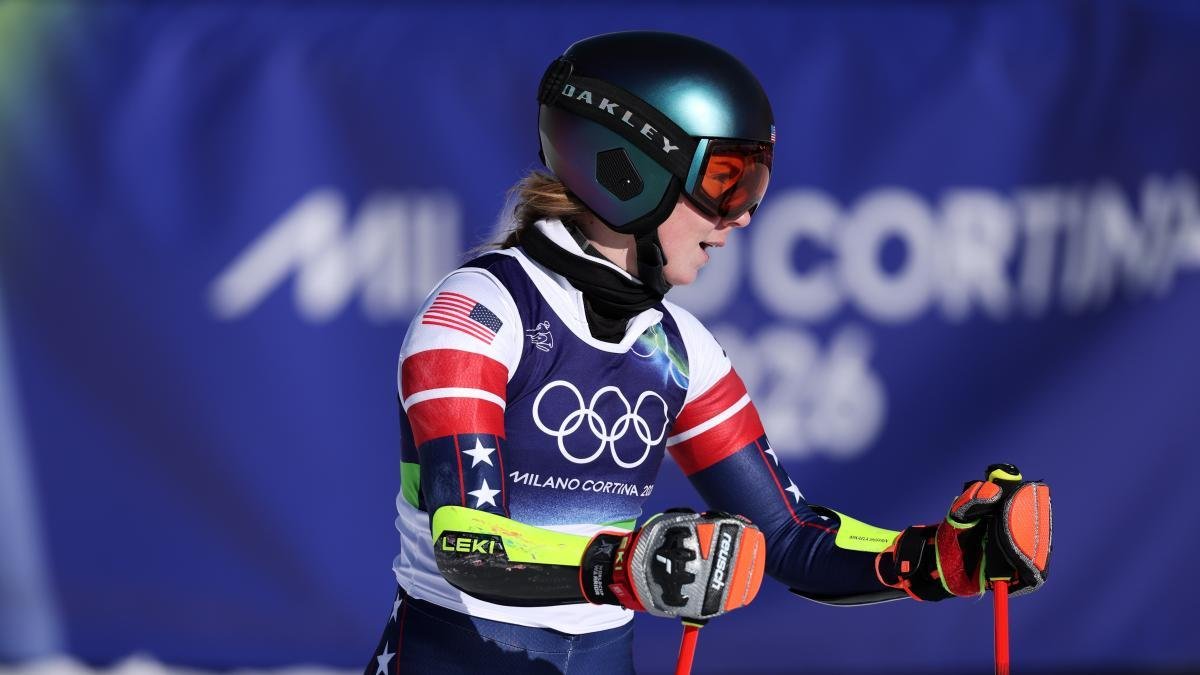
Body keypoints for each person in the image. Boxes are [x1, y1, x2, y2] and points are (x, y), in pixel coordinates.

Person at [367, 31, 1051, 675]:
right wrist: (625, 566)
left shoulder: (679, 347)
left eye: (755, 184)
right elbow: (471, 546)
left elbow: (789, 538)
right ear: (629, 172)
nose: (744, 215)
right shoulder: (478, 312)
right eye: (727, 181)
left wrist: (935, 557)